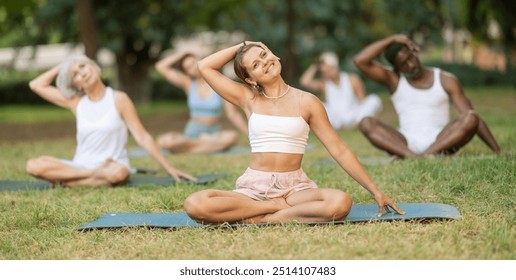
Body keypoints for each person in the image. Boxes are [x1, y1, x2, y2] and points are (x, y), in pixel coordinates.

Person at [183, 41, 405, 225]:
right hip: (253, 189)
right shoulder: (248, 98)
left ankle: (263, 219)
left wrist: (375, 191)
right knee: (196, 204)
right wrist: (245, 45)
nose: (265, 62)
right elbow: (205, 67)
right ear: (251, 79)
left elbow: (339, 149)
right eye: (256, 64)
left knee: (340, 203)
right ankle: (270, 208)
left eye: (265, 54)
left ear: (275, 55)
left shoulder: (307, 102)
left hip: (294, 190)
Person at [26, 54, 196, 187]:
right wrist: (64, 64)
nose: (82, 73)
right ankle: (88, 179)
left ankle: (68, 181)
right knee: (33, 166)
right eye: (75, 74)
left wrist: (169, 167)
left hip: (112, 166)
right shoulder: (76, 103)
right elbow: (36, 85)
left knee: (119, 174)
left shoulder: (119, 99)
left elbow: (142, 136)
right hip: (81, 167)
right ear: (76, 85)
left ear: (93, 66)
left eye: (83, 66)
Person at [353, 34, 501, 158]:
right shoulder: (394, 80)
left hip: (442, 140)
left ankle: (426, 156)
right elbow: (360, 61)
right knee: (366, 122)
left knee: (470, 117)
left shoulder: (446, 80)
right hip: (406, 142)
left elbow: (472, 117)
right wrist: (392, 39)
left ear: (415, 52)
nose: (410, 65)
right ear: (397, 68)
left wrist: (497, 151)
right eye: (403, 64)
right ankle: (414, 157)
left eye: (410, 58)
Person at [155, 51, 248, 153]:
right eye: (188, 67)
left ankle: (189, 149)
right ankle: (203, 147)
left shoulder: (220, 84)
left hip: (213, 134)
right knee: (164, 141)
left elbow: (233, 114)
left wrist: (250, 137)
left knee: (232, 137)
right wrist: (182, 53)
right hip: (192, 133)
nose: (193, 67)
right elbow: (161, 67)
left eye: (194, 62)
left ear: (201, 60)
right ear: (187, 72)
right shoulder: (188, 84)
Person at [300, 51, 382, 129]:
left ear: (334, 68)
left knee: (374, 99)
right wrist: (316, 66)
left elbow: (363, 102)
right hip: (337, 119)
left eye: (327, 70)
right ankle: (343, 126)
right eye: (323, 71)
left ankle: (359, 122)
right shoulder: (324, 84)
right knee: (318, 104)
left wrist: (365, 114)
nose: (324, 73)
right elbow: (304, 82)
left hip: (355, 114)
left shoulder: (352, 79)